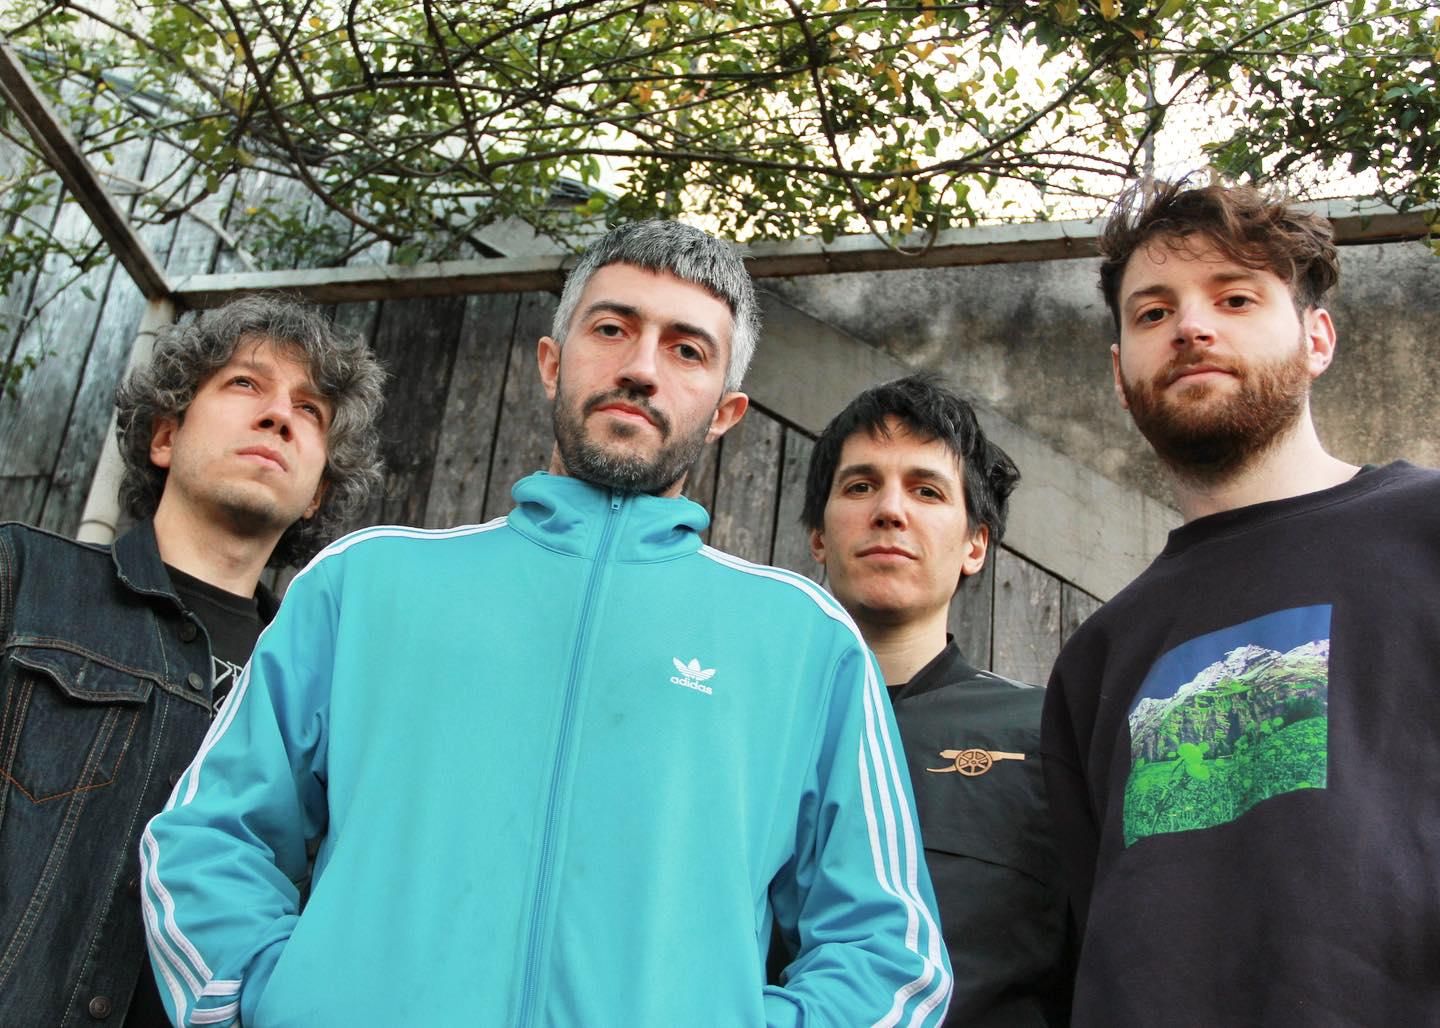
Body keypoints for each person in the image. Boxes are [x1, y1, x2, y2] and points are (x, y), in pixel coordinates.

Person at [140, 221, 953, 1026]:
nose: (640, 368)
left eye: (686, 350)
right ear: (551, 361)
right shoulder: (365, 583)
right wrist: (278, 1000)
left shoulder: (804, 642)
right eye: (612, 329)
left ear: (725, 411)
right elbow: (209, 839)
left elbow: (890, 958)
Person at [1041, 180, 1440, 1024]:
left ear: (1317, 338)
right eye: (1153, 313)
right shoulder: (1098, 657)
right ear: (1120, 375)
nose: (1191, 327)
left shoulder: (1427, 531)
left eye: (1235, 298)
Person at [0, 294, 385, 1027]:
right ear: (165, 436)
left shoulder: (332, 693)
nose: (279, 416)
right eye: (245, 383)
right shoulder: (21, 581)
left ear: (317, 495)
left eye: (309, 409)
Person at [796, 374, 1072, 1026]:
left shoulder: (1048, 737)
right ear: (819, 537)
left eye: (927, 490)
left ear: (975, 544)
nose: (890, 510)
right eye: (860, 486)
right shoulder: (745, 730)